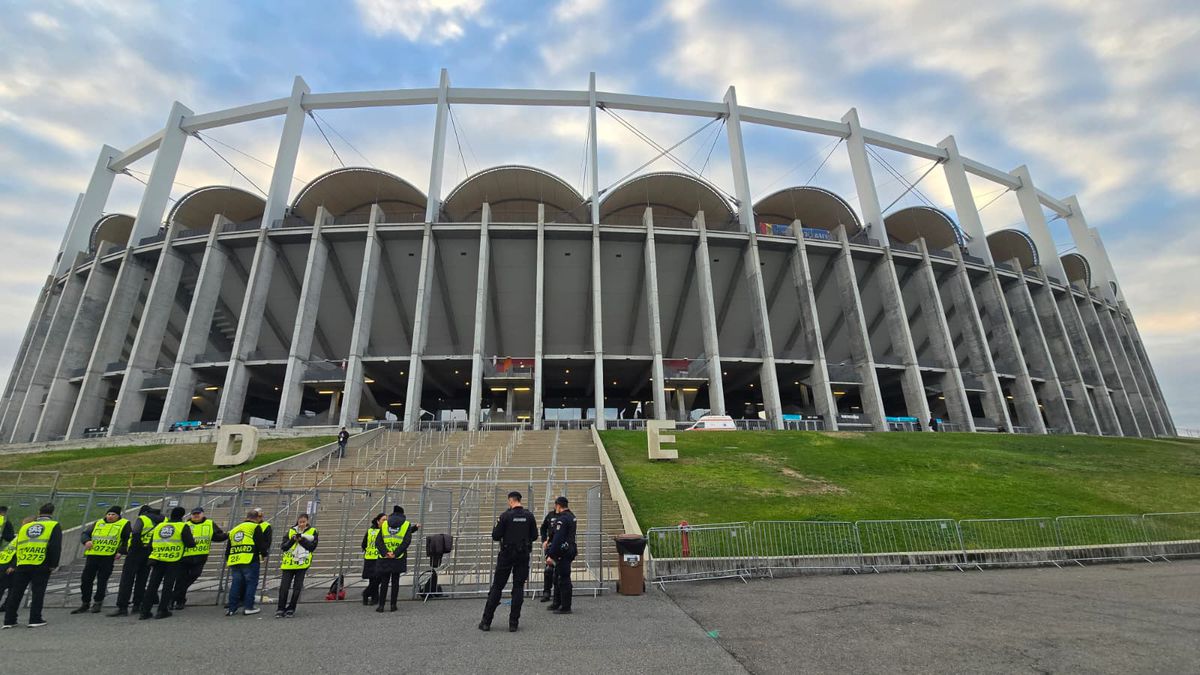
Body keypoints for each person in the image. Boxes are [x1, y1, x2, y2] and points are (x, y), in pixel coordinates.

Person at [479, 491, 537, 632]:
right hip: (522, 555)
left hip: (506, 555)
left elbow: (496, 535)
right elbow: (534, 536)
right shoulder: (529, 516)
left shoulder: (505, 516)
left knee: (497, 587)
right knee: (518, 588)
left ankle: (486, 622)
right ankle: (513, 623)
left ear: (511, 501)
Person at [2, 503, 61, 629]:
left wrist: (15, 563)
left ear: (39, 512)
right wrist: (53, 564)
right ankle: (35, 619)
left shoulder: (25, 527)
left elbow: (19, 546)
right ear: (52, 512)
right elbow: (55, 546)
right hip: (41, 563)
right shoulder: (53, 525)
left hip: (22, 563)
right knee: (37, 592)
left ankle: (9, 620)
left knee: (16, 593)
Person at [139, 506, 194, 620]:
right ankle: (162, 610)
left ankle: (145, 611)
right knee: (167, 586)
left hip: (158, 558)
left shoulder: (160, 526)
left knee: (152, 585)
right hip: (173, 559)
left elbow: (151, 543)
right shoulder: (183, 526)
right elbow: (189, 543)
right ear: (183, 516)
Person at [72, 505, 130, 614]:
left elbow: (127, 539)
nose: (110, 516)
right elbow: (85, 534)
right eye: (109, 514)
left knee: (102, 581)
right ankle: (85, 603)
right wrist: (86, 541)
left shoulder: (124, 524)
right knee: (86, 580)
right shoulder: (98, 523)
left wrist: (121, 551)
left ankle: (98, 602)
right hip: (93, 555)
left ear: (118, 516)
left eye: (113, 514)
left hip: (108, 556)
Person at [108, 504, 162, 617]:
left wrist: (134, 547)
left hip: (136, 552)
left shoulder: (143, 518)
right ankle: (137, 605)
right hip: (150, 551)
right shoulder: (162, 520)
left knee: (127, 580)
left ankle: (122, 607)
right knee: (142, 580)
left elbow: (136, 532)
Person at [174, 506, 227, 610]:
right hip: (184, 556)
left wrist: (228, 535)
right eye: (194, 514)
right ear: (191, 515)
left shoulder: (209, 523)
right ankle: (179, 601)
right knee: (180, 579)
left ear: (203, 514)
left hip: (200, 556)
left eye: (198, 513)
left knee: (194, 574)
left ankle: (175, 595)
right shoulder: (185, 525)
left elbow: (217, 536)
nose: (196, 515)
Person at [225, 508, 271, 616]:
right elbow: (260, 543)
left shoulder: (235, 528)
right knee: (251, 583)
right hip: (250, 558)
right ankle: (248, 607)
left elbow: (229, 546)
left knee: (236, 584)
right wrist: (264, 554)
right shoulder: (255, 526)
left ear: (246, 517)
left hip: (235, 559)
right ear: (256, 518)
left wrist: (228, 558)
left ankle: (232, 608)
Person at [276, 513, 318, 618]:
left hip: (302, 563)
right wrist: (293, 540)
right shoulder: (291, 531)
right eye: (300, 522)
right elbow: (284, 547)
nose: (302, 524)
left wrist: (301, 540)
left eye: (304, 522)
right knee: (284, 587)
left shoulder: (313, 531)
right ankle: (280, 608)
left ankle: (291, 608)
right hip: (288, 563)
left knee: (297, 587)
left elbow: (312, 547)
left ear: (307, 521)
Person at [375, 506, 414, 613]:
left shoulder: (384, 524)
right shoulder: (406, 524)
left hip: (385, 557)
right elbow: (406, 542)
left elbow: (378, 541)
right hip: (398, 557)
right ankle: (393, 605)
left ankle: (381, 606)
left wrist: (385, 552)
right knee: (395, 582)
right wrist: (395, 553)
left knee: (384, 581)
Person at [546, 496, 577, 615]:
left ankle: (565, 606)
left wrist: (551, 555)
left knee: (563, 579)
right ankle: (557, 602)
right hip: (569, 549)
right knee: (557, 577)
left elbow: (558, 539)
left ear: (558, 505)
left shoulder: (562, 519)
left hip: (562, 552)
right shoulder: (571, 516)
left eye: (555, 506)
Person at [360, 512, 385, 606]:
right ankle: (369, 596)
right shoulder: (374, 531)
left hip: (374, 557)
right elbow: (364, 543)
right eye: (383, 520)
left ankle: (370, 596)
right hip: (373, 558)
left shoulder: (372, 530)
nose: (385, 522)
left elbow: (364, 544)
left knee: (377, 579)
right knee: (375, 579)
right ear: (378, 521)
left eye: (386, 520)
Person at [538, 508, 559, 602]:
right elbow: (543, 528)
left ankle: (559, 594)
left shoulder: (566, 516)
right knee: (548, 570)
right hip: (550, 546)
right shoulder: (550, 515)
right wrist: (544, 540)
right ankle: (546, 592)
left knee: (560, 571)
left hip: (561, 546)